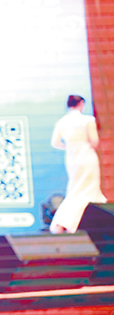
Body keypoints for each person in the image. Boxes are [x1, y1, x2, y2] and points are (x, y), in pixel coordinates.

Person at [49, 95, 107, 234]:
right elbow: (94, 141)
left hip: (72, 158)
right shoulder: (88, 120)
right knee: (87, 189)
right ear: (81, 104)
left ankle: (62, 222)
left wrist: (69, 147)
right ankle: (71, 222)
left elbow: (55, 142)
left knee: (75, 189)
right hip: (87, 156)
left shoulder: (62, 122)